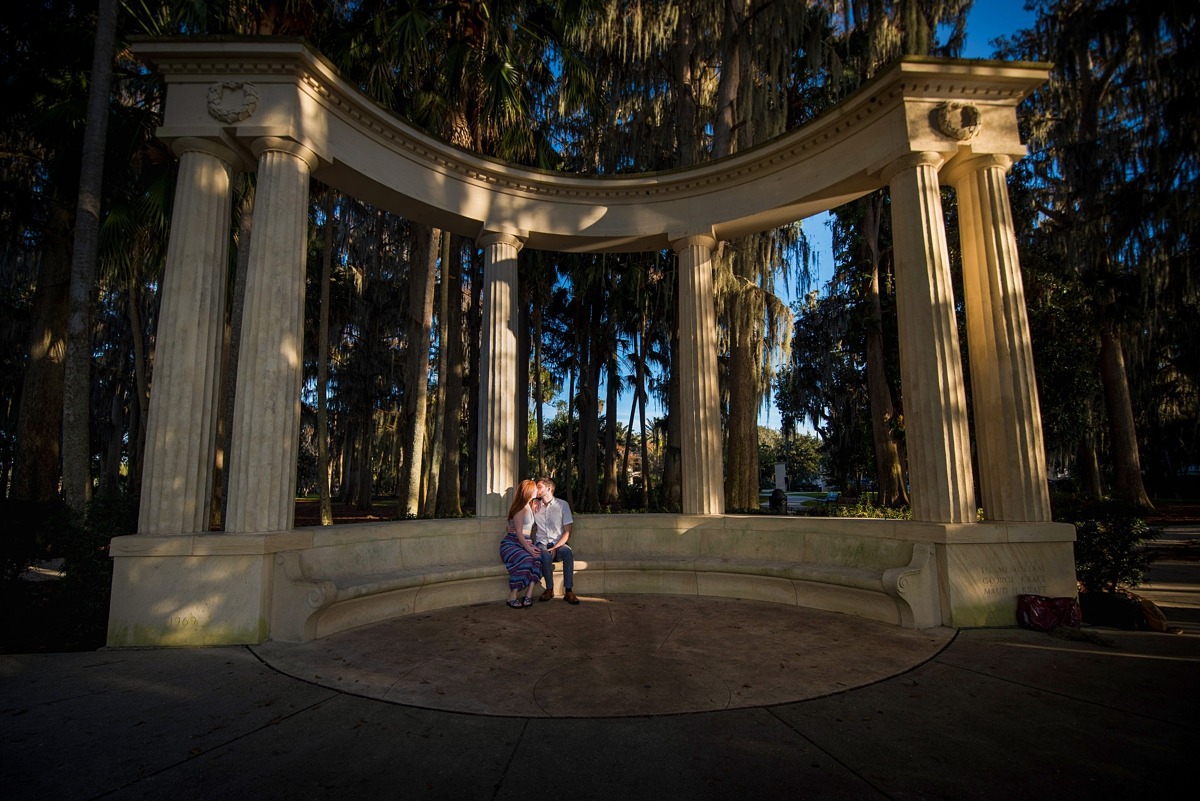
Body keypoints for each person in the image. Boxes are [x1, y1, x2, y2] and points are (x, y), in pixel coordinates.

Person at [532, 477, 578, 604]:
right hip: (542, 544)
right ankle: (549, 589)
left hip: (559, 544)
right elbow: (520, 505)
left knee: (568, 553)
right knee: (545, 555)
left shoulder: (563, 505)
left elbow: (568, 531)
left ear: (549, 488)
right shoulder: (535, 505)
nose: (536, 489)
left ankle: (569, 591)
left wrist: (556, 547)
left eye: (539, 487)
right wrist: (534, 500)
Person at [499, 479, 542, 608]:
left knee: (539, 557)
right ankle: (513, 594)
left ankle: (528, 595)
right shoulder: (520, 509)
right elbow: (518, 532)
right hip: (512, 543)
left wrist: (536, 501)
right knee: (528, 559)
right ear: (529, 491)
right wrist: (529, 548)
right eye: (535, 489)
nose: (537, 490)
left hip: (524, 542)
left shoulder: (529, 505)